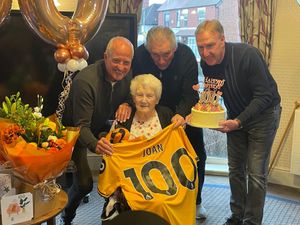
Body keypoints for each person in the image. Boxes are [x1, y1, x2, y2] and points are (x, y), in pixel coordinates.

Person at [195, 19, 281, 225]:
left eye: (210, 46)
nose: (205, 53)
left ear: (222, 40)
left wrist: (239, 122)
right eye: (200, 47)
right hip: (236, 117)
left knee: (256, 174)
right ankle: (237, 216)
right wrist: (200, 106)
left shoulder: (247, 55)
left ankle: (251, 222)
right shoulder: (205, 64)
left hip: (263, 115)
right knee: (235, 170)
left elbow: (264, 96)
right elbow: (212, 95)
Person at [98, 74, 197, 225]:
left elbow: (180, 149)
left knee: (163, 203)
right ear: (133, 97)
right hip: (132, 183)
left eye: (150, 96)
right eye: (139, 95)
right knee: (146, 202)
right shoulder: (124, 119)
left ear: (157, 100)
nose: (144, 100)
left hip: (164, 179)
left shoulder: (167, 116)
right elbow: (112, 151)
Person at [131, 26, 207, 219]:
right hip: (152, 113)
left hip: (184, 112)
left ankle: (196, 201)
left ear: (175, 49)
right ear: (148, 50)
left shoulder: (187, 55)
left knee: (196, 155)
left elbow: (191, 93)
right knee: (156, 159)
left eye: (166, 55)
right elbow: (133, 88)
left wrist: (181, 114)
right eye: (155, 55)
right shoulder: (139, 55)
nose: (161, 61)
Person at [60, 36, 134, 225]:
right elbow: (80, 126)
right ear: (105, 57)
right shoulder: (86, 81)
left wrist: (127, 103)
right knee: (84, 184)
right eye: (116, 60)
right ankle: (66, 216)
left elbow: (131, 94)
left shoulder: (127, 75)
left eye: (126, 62)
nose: (121, 67)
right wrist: (95, 144)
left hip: (100, 126)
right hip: (74, 132)